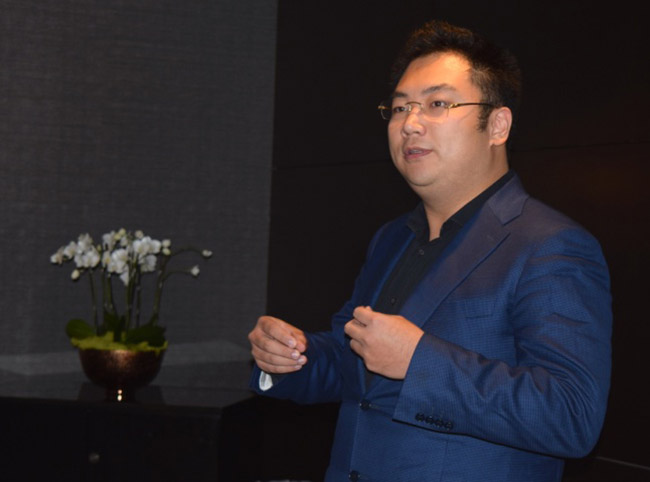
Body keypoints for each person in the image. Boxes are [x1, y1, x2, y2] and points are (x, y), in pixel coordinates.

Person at [248, 19, 612, 482]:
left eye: (437, 104)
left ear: (497, 125)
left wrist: (420, 362)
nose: (410, 124)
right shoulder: (392, 238)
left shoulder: (549, 245)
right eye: (400, 108)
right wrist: (289, 357)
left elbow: (571, 416)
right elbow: (354, 362)